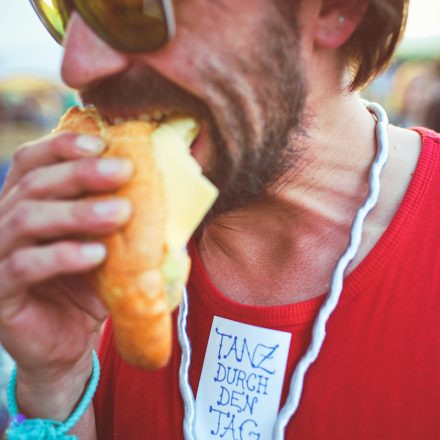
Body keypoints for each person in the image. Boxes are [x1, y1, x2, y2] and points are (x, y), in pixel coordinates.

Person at [0, 0, 439, 439]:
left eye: (130, 7)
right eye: (61, 10)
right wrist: (55, 384)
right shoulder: (83, 267)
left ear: (333, 10)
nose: (76, 67)